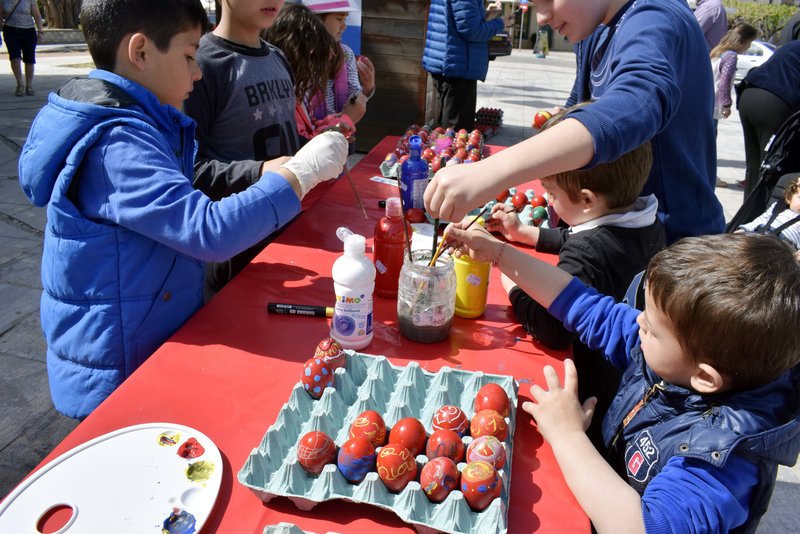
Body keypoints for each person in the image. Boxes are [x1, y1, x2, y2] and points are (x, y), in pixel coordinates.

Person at [17, 0, 348, 420]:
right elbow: (207, 231)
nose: (197, 71)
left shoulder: (143, 124)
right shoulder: (116, 146)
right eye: (190, 55)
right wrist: (299, 174)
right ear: (140, 53)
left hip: (148, 340)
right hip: (117, 375)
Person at [444, 225, 800, 533]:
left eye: (653, 327)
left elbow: (641, 527)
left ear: (706, 378)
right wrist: (500, 253)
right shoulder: (677, 354)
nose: (639, 322)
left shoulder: (724, 460)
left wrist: (567, 436)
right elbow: (582, 306)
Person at [425, 0, 725, 245]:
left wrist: (493, 172)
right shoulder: (595, 27)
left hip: (670, 246)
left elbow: (637, 102)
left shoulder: (654, 17)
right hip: (618, 232)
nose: (541, 18)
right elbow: (580, 105)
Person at [488, 109, 665, 450]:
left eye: (551, 194)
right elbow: (582, 231)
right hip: (627, 372)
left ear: (586, 199)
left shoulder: (587, 250)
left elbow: (552, 328)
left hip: (592, 394)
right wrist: (528, 234)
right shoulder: (642, 218)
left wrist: (515, 287)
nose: (549, 200)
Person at [183, 0, 304, 294]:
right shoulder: (202, 65)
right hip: (238, 252)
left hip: (290, 235)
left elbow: (286, 140)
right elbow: (188, 168)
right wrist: (260, 171)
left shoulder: (278, 57)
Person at [421, 0, 512, 131]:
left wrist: (486, 15)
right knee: (457, 133)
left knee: (447, 130)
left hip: (451, 64)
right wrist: (501, 23)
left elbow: (459, 20)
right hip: (458, 68)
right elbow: (473, 31)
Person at [263, 3, 348, 142]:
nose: (331, 54)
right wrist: (348, 118)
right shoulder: (282, 99)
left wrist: (332, 127)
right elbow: (300, 144)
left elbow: (311, 126)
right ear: (300, 53)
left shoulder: (297, 91)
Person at [737, 40, 800, 196]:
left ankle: (748, 216)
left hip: (750, 95)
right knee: (775, 167)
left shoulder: (793, 45)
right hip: (776, 102)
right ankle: (763, 215)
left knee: (755, 165)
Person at [304, 0, 375, 126]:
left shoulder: (346, 54)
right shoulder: (301, 57)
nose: (344, 25)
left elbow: (353, 95)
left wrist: (367, 89)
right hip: (310, 138)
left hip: (342, 132)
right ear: (317, 21)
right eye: (339, 18)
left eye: (345, 19)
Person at [710, 23, 756, 137]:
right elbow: (724, 81)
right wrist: (727, 104)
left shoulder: (717, 52)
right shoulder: (731, 57)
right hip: (714, 103)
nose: (749, 47)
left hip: (707, 100)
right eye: (750, 42)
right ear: (743, 41)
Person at [736, 175, 800, 255]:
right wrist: (744, 230)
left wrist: (795, 257)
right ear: (789, 198)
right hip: (759, 234)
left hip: (783, 248)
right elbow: (760, 220)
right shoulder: (778, 207)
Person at [0, 0, 44, 96]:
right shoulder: (3, 1)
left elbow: (37, 15)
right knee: (14, 58)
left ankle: (29, 85)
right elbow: (0, 16)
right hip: (10, 31)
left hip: (28, 31)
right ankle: (20, 84)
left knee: (29, 59)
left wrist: (40, 31)